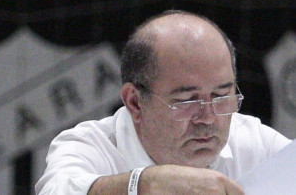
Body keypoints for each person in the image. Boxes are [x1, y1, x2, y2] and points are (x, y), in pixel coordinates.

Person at [35, 10, 292, 195]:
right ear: (135, 103)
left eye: (221, 96)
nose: (208, 118)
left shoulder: (257, 144)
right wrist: (145, 183)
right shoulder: (90, 145)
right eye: (187, 101)